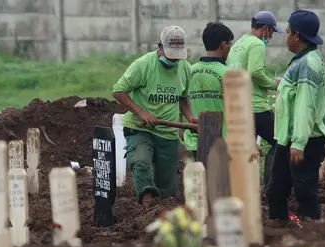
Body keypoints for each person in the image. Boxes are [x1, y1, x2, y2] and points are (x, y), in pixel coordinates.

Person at [112, 26, 195, 209]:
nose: (173, 60)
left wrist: (190, 116)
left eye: (177, 56)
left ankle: (162, 212)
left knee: (168, 187)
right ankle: (147, 207)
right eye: (170, 54)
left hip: (168, 133)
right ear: (160, 46)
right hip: (141, 128)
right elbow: (118, 91)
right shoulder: (143, 65)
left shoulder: (185, 68)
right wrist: (141, 112)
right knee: (140, 161)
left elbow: (183, 97)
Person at [266, 10, 325, 222]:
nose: (285, 35)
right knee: (276, 190)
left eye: (287, 32)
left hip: (305, 139)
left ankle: (313, 234)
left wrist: (299, 143)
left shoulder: (307, 64)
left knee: (304, 191)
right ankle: (279, 230)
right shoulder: (302, 60)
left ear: (296, 36)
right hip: (289, 138)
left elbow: (305, 106)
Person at [226, 11, 283, 188]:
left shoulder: (239, 44)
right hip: (256, 106)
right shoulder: (257, 44)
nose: (271, 36)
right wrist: (274, 84)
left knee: (245, 149)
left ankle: (244, 188)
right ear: (265, 29)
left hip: (238, 106)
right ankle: (271, 185)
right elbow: (256, 71)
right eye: (272, 32)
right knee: (279, 141)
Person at [182, 22, 234, 160]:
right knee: (219, 181)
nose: (230, 48)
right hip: (222, 143)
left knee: (197, 181)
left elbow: (181, 103)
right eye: (230, 44)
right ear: (223, 45)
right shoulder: (229, 75)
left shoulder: (189, 72)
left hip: (194, 142)